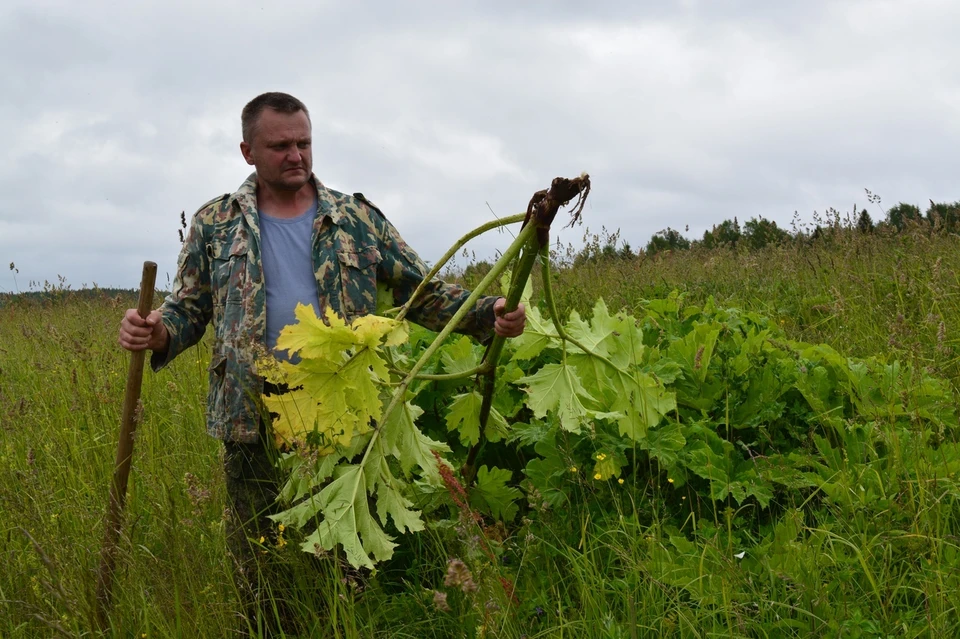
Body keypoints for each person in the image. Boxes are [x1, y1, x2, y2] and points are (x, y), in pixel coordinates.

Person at [117, 92, 526, 630]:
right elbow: (190, 307)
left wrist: (489, 310)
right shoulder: (216, 223)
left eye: (304, 143)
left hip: (341, 409)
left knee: (340, 554)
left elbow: (422, 291)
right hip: (252, 411)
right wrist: (157, 332)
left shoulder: (354, 218)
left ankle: (341, 625)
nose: (296, 154)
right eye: (280, 145)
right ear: (248, 151)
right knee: (258, 553)